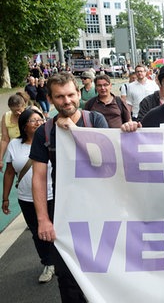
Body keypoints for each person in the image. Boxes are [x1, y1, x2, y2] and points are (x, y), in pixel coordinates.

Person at [31, 72, 108, 302]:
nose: (67, 101)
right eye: (60, 97)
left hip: (100, 213)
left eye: (71, 95)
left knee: (101, 273)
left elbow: (103, 162)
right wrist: (43, 219)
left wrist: (74, 133)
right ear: (51, 99)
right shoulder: (43, 132)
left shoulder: (95, 121)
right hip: (64, 215)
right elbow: (39, 177)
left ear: (79, 93)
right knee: (68, 279)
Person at [2, 109, 54, 283]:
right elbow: (9, 173)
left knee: (57, 230)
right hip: (27, 199)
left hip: (53, 195)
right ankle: (48, 263)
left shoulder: (51, 140)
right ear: (24, 126)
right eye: (34, 121)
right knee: (38, 233)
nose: (39, 123)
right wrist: (5, 198)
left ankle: (61, 261)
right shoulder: (14, 146)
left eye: (41, 120)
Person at [0, 93, 29, 172]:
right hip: (14, 151)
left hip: (29, 151)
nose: (17, 113)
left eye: (19, 110)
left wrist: (23, 120)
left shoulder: (30, 115)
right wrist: (0, 159)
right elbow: (4, 139)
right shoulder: (6, 116)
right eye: (13, 111)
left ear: (24, 106)